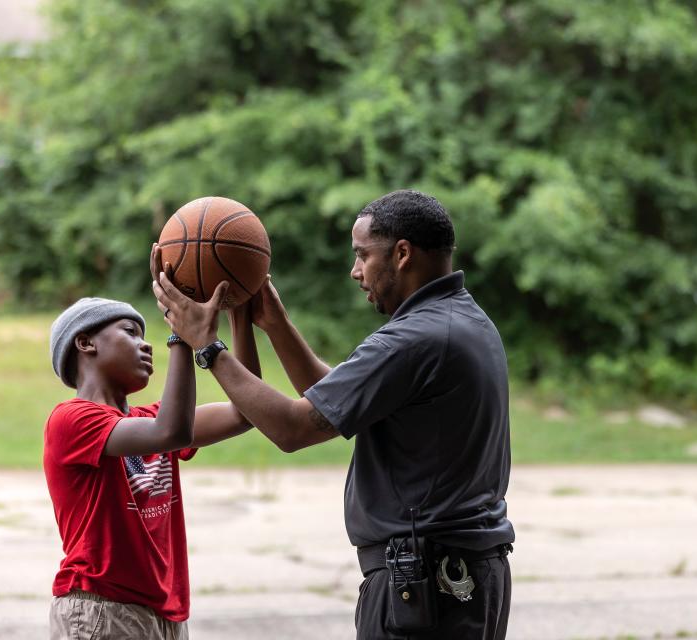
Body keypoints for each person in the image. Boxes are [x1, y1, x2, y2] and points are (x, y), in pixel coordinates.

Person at [153, 189, 515, 639]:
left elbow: (294, 427)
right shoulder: (465, 321)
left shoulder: (413, 339)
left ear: (402, 254)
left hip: (425, 583)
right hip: (466, 575)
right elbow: (335, 401)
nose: (355, 271)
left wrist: (206, 347)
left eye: (363, 255)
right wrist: (275, 324)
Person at [43, 269, 262, 640]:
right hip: (102, 608)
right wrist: (182, 333)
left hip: (166, 613)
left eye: (146, 336)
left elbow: (246, 411)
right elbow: (171, 431)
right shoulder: (71, 420)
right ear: (85, 343)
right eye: (130, 332)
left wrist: (238, 314)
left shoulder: (147, 420)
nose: (146, 345)